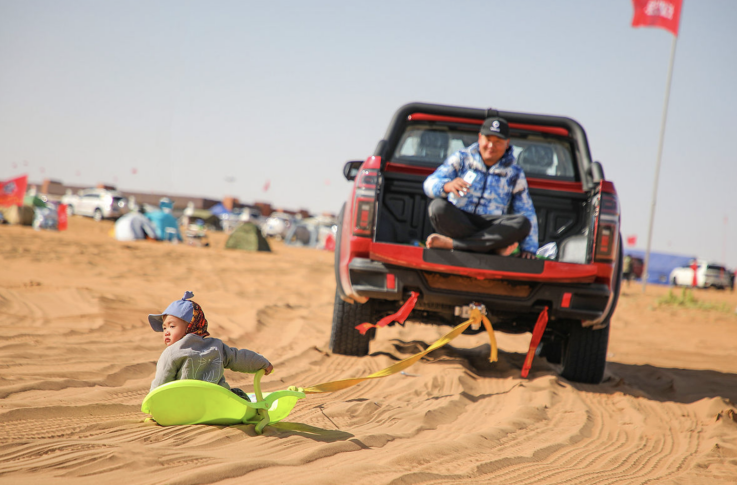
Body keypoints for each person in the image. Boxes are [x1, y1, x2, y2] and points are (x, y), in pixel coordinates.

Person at [423, 117, 539, 258]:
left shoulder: (514, 173)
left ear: (507, 143)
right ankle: (492, 249)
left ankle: (453, 244)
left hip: (491, 226)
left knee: (522, 223)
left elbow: (525, 210)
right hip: (461, 219)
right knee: (437, 208)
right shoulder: (461, 159)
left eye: (498, 142)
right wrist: (447, 186)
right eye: (488, 139)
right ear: (479, 138)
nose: (491, 146)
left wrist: (529, 249)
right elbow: (429, 183)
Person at [149, 291, 272, 401]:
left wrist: (153, 405)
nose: (166, 331)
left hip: (185, 403)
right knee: (239, 396)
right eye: (164, 327)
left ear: (191, 325)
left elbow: (161, 381)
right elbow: (239, 358)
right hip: (217, 400)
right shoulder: (216, 346)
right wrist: (261, 363)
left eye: (172, 326)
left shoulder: (170, 353)